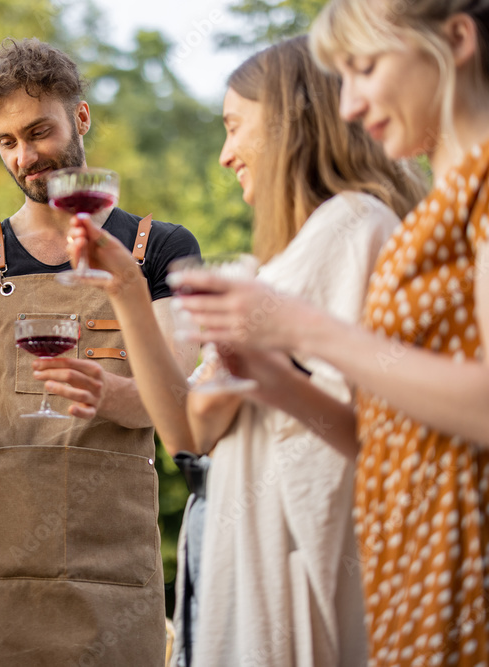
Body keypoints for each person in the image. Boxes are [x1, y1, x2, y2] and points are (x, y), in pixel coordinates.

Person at [69, 35, 426, 666]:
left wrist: (262, 368)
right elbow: (187, 428)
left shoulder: (352, 225)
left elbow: (382, 433)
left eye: (236, 127)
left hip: (293, 565)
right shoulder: (283, 262)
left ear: (292, 124)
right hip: (248, 558)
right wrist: (126, 287)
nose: (225, 154)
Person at [173, 2, 489, 663]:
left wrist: (305, 327)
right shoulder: (436, 209)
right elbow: (383, 433)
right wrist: (275, 378)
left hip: (464, 555)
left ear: (457, 40)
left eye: (366, 67)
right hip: (412, 561)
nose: (347, 104)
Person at [0, 38, 200, 665]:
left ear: (80, 119)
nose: (26, 158)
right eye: (7, 142)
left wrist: (112, 395)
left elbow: (180, 406)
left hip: (111, 568)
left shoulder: (160, 248)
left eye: (39, 132)